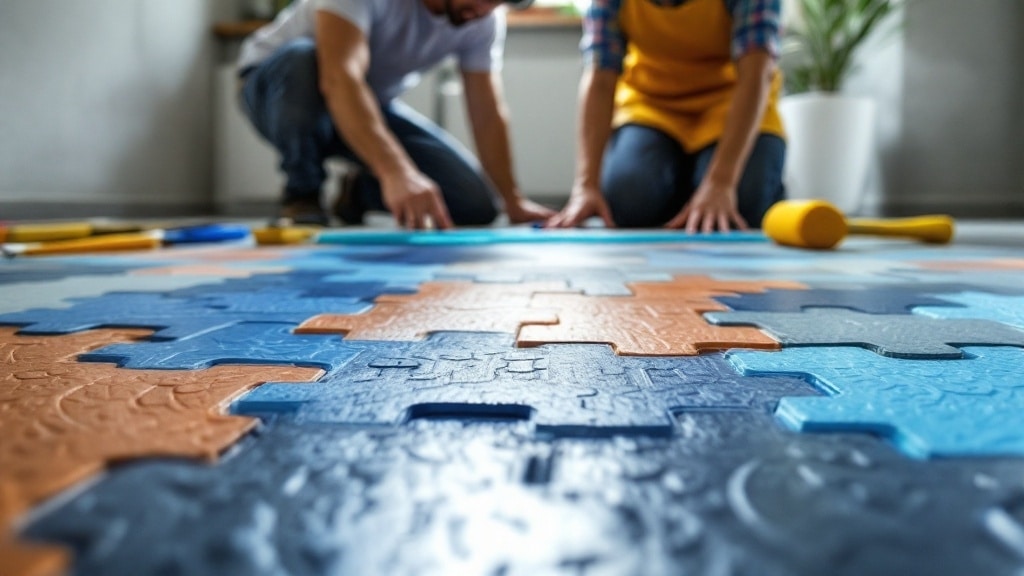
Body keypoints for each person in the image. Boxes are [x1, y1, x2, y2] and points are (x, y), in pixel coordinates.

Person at [238, 0, 555, 229]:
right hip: (279, 90)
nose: (487, 9)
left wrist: (512, 201)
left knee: (473, 205)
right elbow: (339, 78)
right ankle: (302, 192)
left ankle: (358, 191)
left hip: (367, 102)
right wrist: (396, 171)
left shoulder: (483, 18)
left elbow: (486, 111)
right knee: (304, 57)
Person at [547, 0, 787, 233]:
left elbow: (756, 75)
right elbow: (600, 78)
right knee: (627, 200)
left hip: (730, 104)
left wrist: (720, 183)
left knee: (745, 200)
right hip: (652, 106)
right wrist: (586, 185)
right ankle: (690, 186)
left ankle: (704, 182)